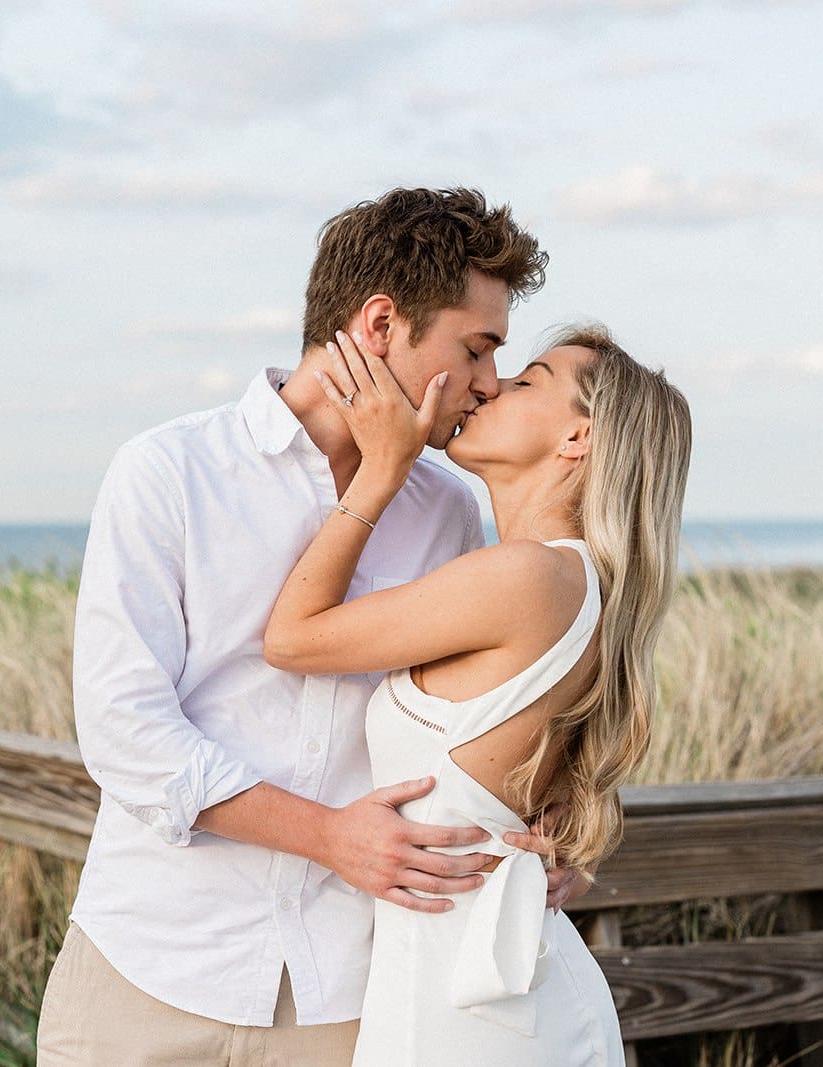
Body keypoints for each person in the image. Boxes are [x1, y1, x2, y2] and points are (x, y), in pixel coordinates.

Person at [37, 187, 580, 1066]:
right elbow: (125, 730)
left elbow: (468, 719)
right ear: (379, 324)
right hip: (147, 970)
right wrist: (330, 836)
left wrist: (545, 828)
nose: (488, 381)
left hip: (350, 990)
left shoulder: (446, 511)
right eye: (476, 347)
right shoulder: (168, 472)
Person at [263, 325, 691, 1063]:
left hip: (475, 1015)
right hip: (463, 997)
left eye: (527, 381)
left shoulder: (528, 576)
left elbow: (293, 638)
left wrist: (381, 468)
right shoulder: (561, 580)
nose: (490, 385)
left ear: (576, 438)